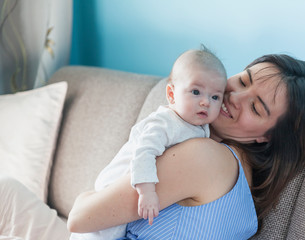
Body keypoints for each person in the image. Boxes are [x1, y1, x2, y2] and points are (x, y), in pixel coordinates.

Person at [67, 53, 305, 239]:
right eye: (243, 80)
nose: (233, 96)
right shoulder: (244, 181)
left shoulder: (204, 157)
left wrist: (85, 198)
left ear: (267, 137)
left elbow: (80, 218)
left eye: (255, 107)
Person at [70, 47, 227, 240]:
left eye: (215, 97)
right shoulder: (165, 122)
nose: (205, 102)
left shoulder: (201, 128)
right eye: (196, 91)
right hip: (116, 185)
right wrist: (147, 192)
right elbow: (143, 153)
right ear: (171, 94)